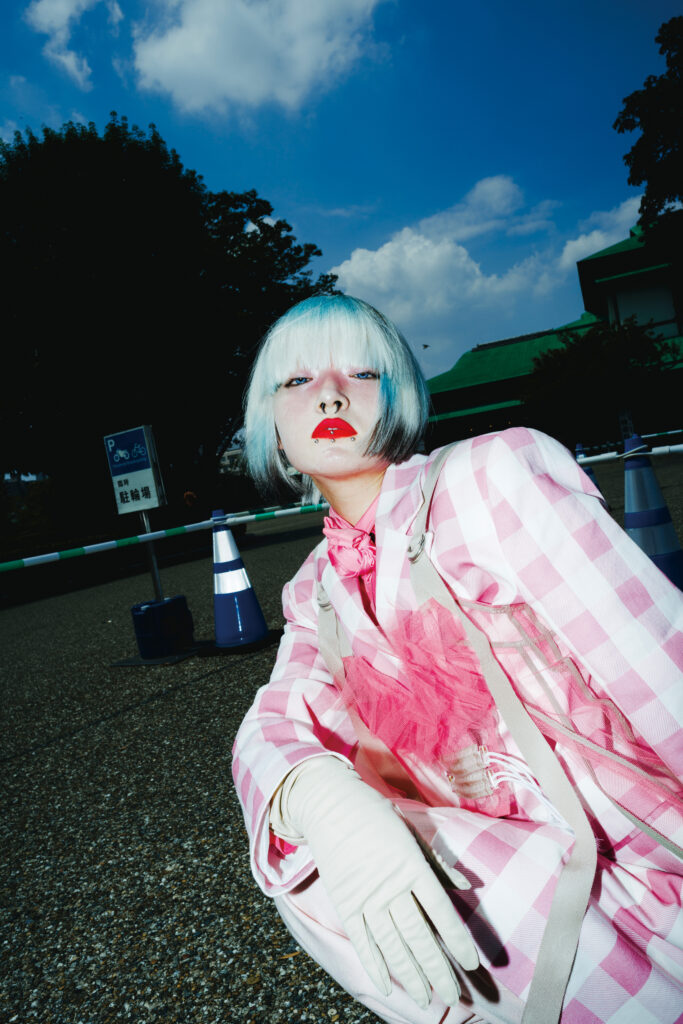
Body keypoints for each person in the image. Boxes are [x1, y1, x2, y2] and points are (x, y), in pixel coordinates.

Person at [232, 294, 683, 1024]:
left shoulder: (486, 477)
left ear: (400, 396)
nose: (331, 395)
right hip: (518, 891)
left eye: (362, 373)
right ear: (271, 426)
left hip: (645, 872)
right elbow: (271, 723)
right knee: (309, 859)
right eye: (297, 380)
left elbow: (662, 669)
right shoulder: (315, 589)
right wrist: (320, 797)